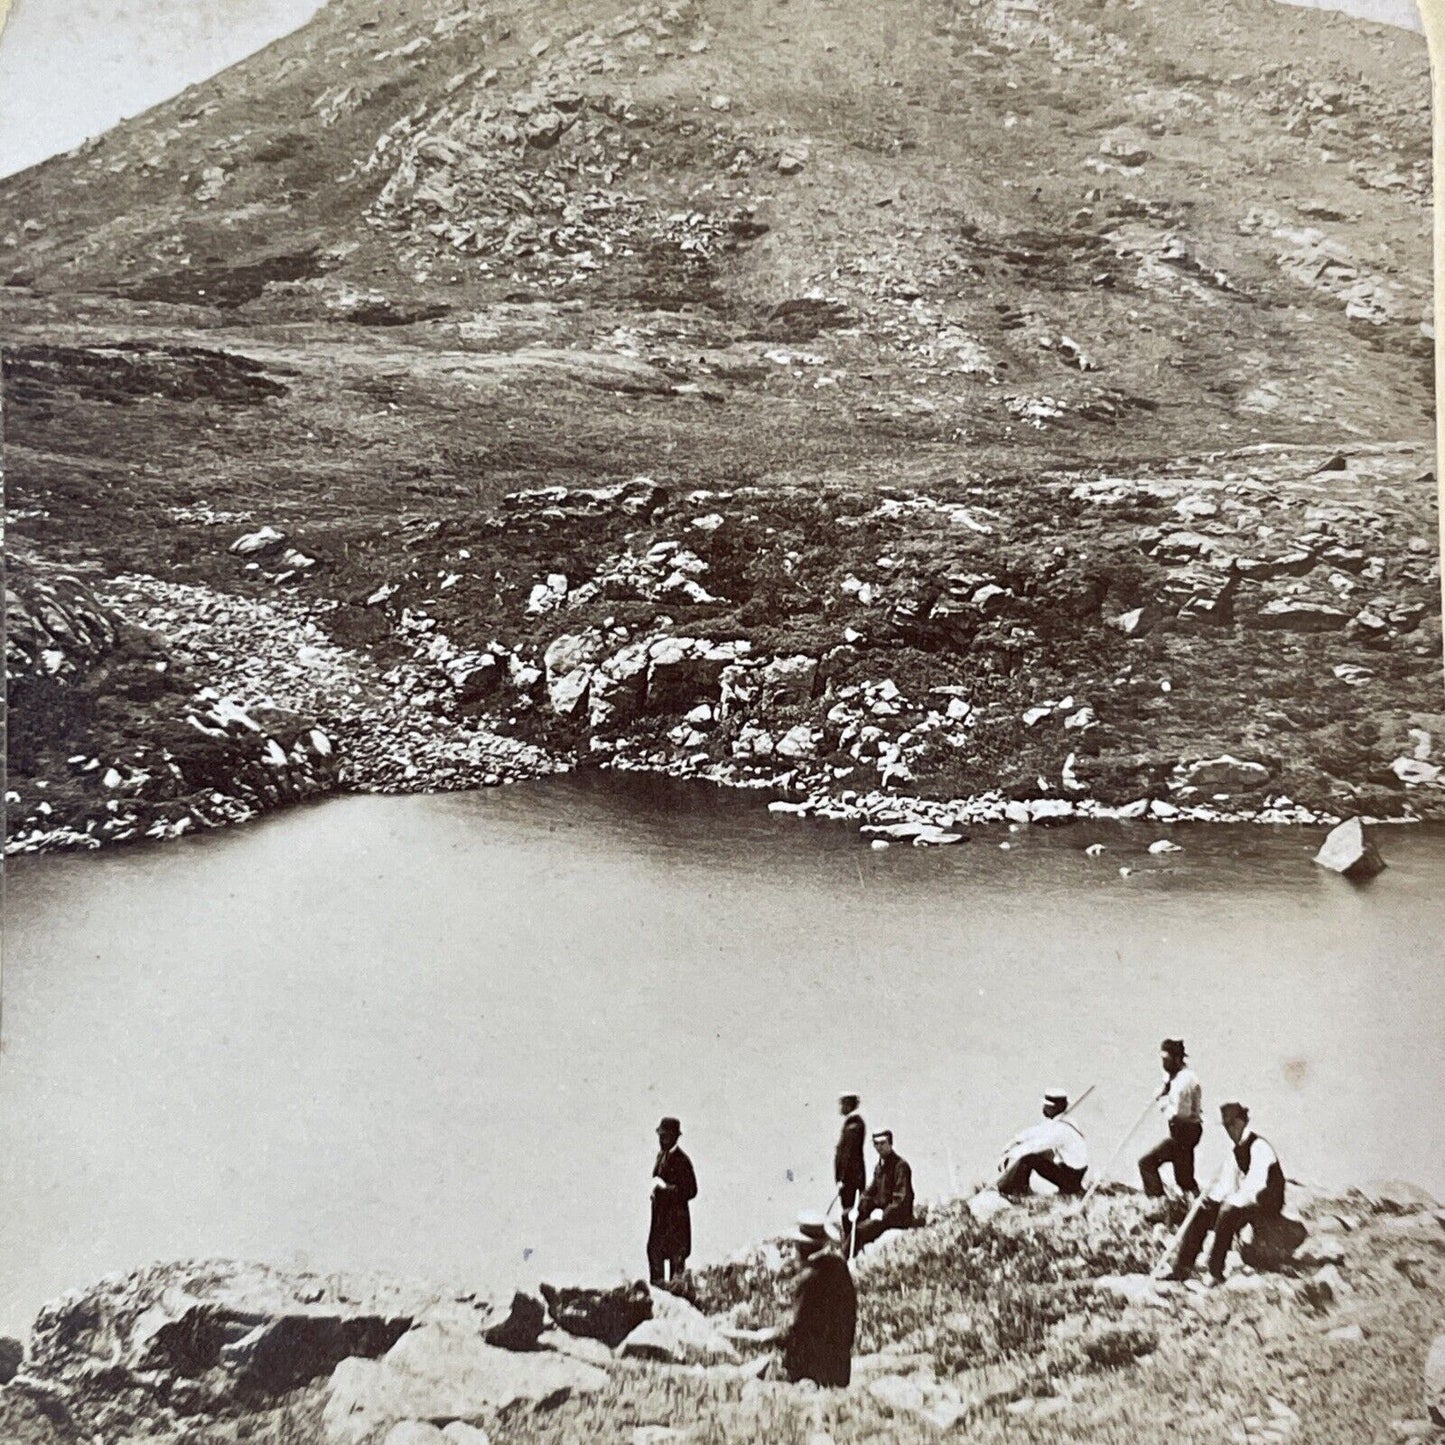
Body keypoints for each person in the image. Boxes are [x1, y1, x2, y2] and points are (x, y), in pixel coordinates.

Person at [1168, 1101, 1286, 1284]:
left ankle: (1215, 1272)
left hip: (1267, 1202)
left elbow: (1256, 1184)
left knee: (1228, 1212)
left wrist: (1229, 1203)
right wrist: (1210, 1200)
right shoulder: (1235, 1152)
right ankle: (1181, 1270)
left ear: (1242, 1121)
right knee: (1202, 1213)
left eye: (1233, 1124)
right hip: (1249, 1202)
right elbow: (1226, 1185)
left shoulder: (1259, 1146)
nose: (1230, 1130)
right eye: (1226, 1126)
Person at [780, 1212, 857, 1386]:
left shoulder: (809, 1279)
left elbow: (796, 1330)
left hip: (812, 1373)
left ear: (801, 1249)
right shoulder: (839, 1267)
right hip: (841, 1369)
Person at [1139, 1038, 1203, 1198]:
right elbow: (1168, 1086)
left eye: (1166, 1060)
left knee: (1147, 1163)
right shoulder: (1177, 1076)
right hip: (1184, 1133)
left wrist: (1162, 1101)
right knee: (1184, 1179)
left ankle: (1158, 1203)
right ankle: (1198, 1205)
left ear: (1177, 1059)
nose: (1163, 1064)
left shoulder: (1184, 1081)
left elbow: (1179, 1114)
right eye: (1162, 1060)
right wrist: (1165, 1088)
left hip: (1184, 1133)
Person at [995, 1089, 1088, 1197]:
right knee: (1042, 1154)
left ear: (1055, 1108)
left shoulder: (1061, 1130)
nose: (1043, 1108)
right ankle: (1012, 1186)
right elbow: (1038, 1131)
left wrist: (1010, 1155)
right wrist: (1014, 1141)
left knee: (1029, 1159)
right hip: (1069, 1170)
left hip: (1071, 1178)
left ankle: (1013, 1192)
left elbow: (1036, 1145)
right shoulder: (1063, 1121)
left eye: (1046, 1106)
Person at [647, 1116, 697, 1285]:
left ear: (675, 1136)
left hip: (676, 1226)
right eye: (660, 1136)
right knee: (654, 1256)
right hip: (660, 1223)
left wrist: (667, 1190)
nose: (661, 1140)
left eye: (665, 1136)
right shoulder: (660, 1157)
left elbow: (691, 1190)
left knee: (677, 1276)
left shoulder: (682, 1160)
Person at [852, 1130, 914, 1252]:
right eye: (876, 1144)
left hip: (896, 1217)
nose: (879, 1147)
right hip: (881, 1213)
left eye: (882, 1143)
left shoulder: (900, 1166)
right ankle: (850, 1252)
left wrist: (883, 1213)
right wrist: (858, 1207)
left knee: (861, 1229)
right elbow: (870, 1191)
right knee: (848, 1217)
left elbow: (901, 1199)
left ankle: (844, 1258)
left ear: (890, 1143)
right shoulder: (879, 1166)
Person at [835, 1093, 867, 1223]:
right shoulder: (853, 1124)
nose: (840, 1107)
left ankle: (851, 1242)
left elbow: (847, 1156)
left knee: (850, 1214)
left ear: (848, 1105)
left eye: (842, 1104)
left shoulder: (853, 1126)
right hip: (851, 1179)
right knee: (850, 1213)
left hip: (850, 1180)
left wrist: (842, 1179)